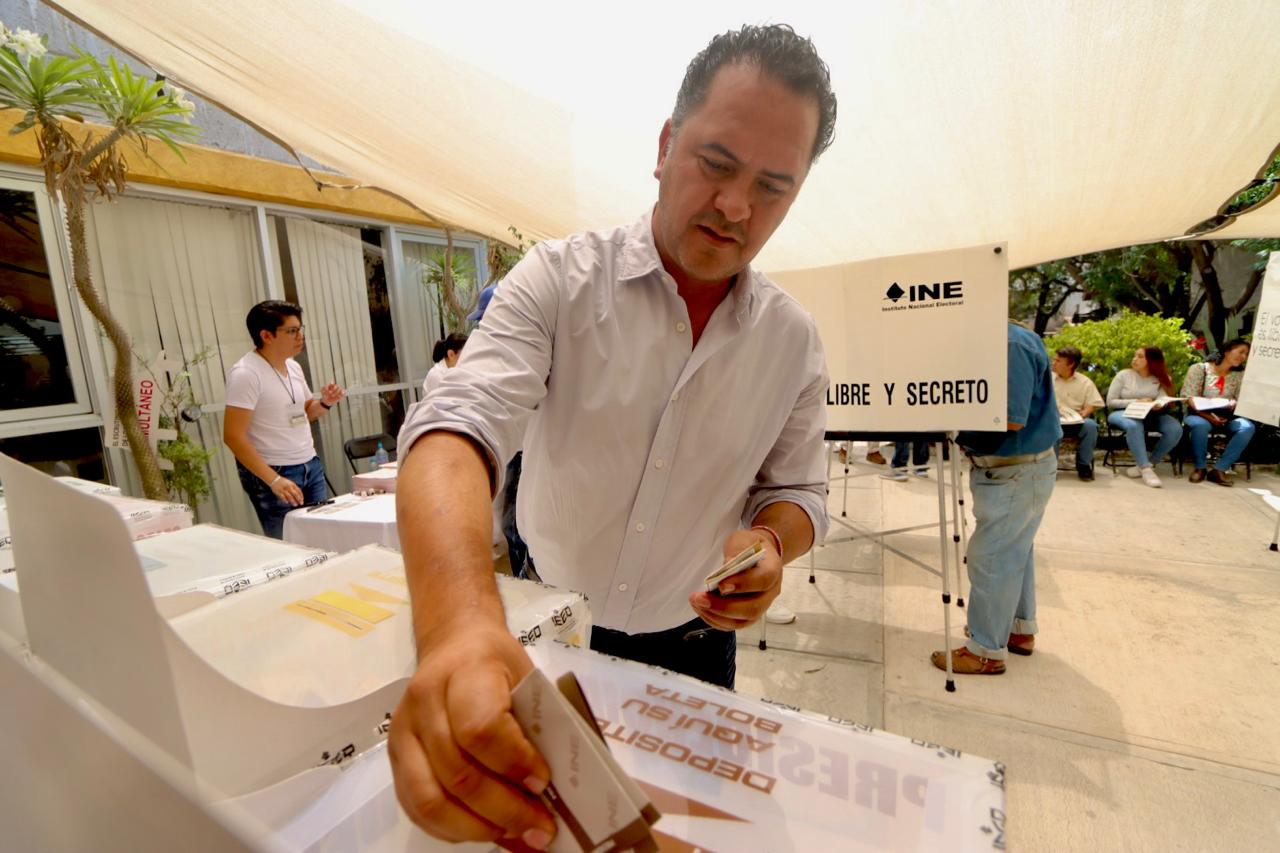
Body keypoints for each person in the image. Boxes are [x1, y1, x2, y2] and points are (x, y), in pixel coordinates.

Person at [388, 24, 837, 847]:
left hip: (696, 648)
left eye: (773, 185)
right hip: (544, 623)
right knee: (537, 831)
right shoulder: (559, 281)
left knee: (678, 838)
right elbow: (458, 424)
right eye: (717, 163)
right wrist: (456, 625)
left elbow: (799, 490)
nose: (737, 206)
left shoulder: (793, 340)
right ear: (666, 145)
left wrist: (772, 543)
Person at [932, 323, 1060, 675]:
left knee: (991, 557)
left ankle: (986, 649)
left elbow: (1008, 419)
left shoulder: (1007, 344)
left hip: (1015, 468)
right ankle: (1017, 630)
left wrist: (945, 423)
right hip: (1017, 469)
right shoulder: (1008, 337)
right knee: (1014, 552)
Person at [223, 300, 345, 538]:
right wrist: (274, 479)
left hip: (309, 464)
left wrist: (325, 402)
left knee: (323, 539)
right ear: (266, 335)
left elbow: (305, 412)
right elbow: (232, 436)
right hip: (276, 470)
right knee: (290, 545)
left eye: (300, 329)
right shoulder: (246, 374)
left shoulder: (293, 367)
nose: (300, 336)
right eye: (292, 331)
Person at [1106, 346, 1183, 488]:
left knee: (1175, 429)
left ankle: (1149, 463)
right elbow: (1110, 401)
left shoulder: (1162, 378)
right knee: (1134, 425)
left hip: (1150, 414)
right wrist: (1136, 401)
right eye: (1135, 355)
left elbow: (1162, 398)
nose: (1135, 359)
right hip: (1123, 413)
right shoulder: (1123, 375)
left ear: (1152, 361)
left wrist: (1159, 404)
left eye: (1140, 356)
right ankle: (1146, 470)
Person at [1182, 339, 1254, 486]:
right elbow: (1189, 397)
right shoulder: (1199, 369)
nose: (1243, 357)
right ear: (1227, 351)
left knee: (1246, 427)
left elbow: (1242, 399)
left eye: (1246, 354)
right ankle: (1200, 468)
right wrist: (1208, 416)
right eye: (1241, 352)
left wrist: (1235, 403)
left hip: (1226, 416)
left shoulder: (1239, 375)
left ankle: (1219, 469)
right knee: (1201, 426)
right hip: (1199, 414)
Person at [1051, 346, 1104, 480]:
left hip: (1076, 420)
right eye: (1054, 360)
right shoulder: (1047, 379)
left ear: (1071, 364)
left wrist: (1085, 412)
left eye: (1058, 361)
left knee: (1091, 426)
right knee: (1050, 426)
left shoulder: (1084, 382)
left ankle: (1084, 466)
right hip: (1054, 419)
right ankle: (1051, 467)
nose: (1053, 363)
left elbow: (1094, 403)